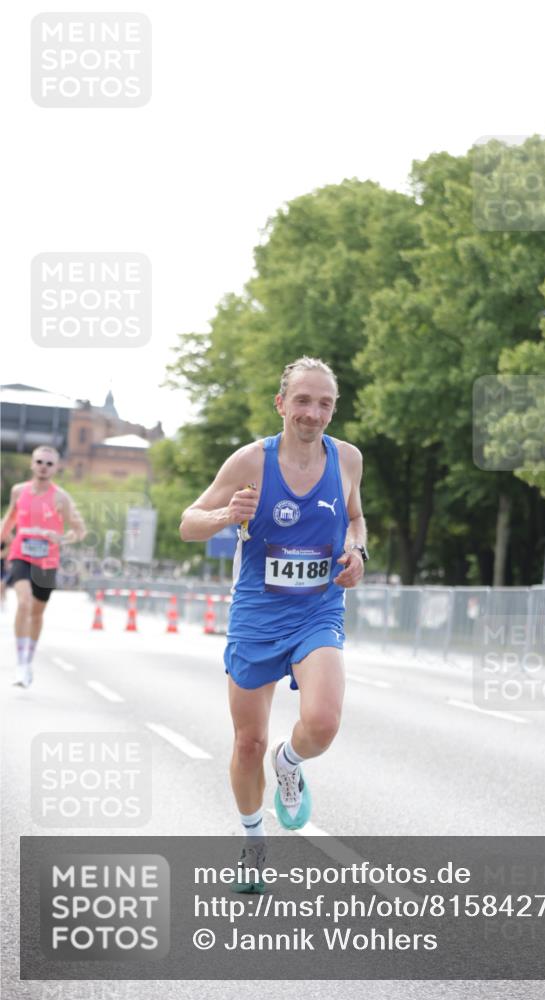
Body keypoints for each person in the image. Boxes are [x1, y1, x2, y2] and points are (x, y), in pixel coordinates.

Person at [180, 357, 367, 889]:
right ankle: (252, 841)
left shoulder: (348, 459)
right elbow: (188, 523)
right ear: (282, 404)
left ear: (333, 408)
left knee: (324, 723)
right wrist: (225, 516)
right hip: (258, 613)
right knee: (247, 744)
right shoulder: (250, 462)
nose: (313, 413)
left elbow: (355, 516)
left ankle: (291, 761)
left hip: (318, 608)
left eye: (324, 403)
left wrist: (358, 551)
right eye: (303, 401)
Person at [0, 444, 86, 687]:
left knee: (36, 612)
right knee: (24, 602)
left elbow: (79, 531)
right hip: (21, 553)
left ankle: (29, 659)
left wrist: (61, 537)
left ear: (56, 468)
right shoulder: (19, 492)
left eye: (49, 464)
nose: (43, 467)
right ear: (32, 464)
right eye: (39, 462)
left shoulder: (61, 498)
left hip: (47, 559)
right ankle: (20, 663)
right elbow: (9, 519)